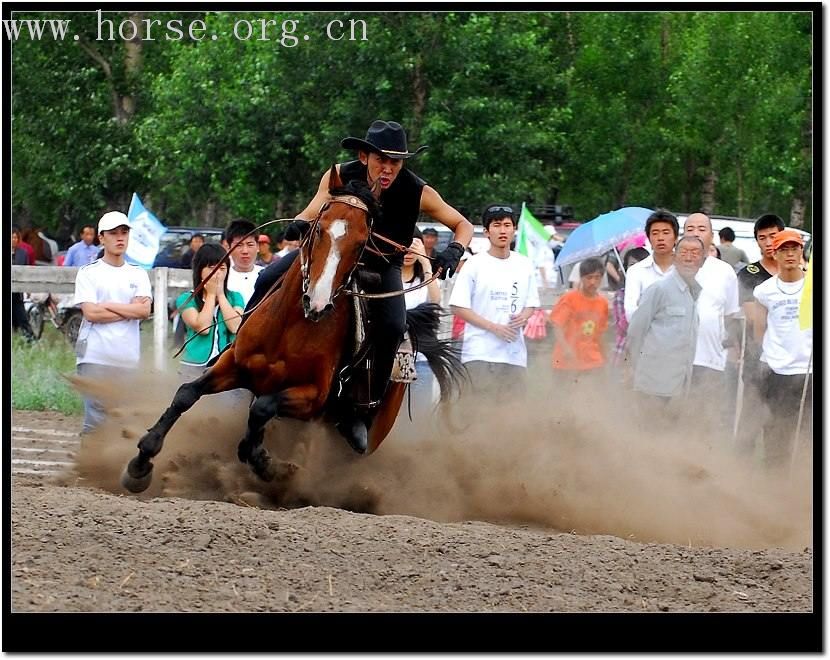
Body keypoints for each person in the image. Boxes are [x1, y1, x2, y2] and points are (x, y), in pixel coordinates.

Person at [247, 119, 473, 452]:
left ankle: (359, 409)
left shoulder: (417, 190)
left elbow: (462, 224)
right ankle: (243, 351)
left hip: (382, 267)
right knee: (267, 278)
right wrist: (300, 222)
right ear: (365, 156)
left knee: (395, 326)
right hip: (331, 258)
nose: (389, 168)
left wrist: (454, 250)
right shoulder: (339, 175)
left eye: (395, 161)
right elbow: (316, 205)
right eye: (382, 159)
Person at [73, 211, 152, 434]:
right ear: (102, 238)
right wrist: (130, 310)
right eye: (114, 233)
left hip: (126, 357)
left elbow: (144, 310)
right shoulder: (89, 273)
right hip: (94, 356)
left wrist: (108, 304)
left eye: (124, 233)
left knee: (123, 418)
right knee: (96, 419)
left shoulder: (138, 274)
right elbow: (91, 313)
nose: (120, 238)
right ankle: (90, 467)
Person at [449, 205, 539, 398]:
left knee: (512, 412)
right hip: (480, 353)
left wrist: (523, 317)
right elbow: (457, 305)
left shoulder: (525, 264)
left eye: (507, 225)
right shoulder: (474, 264)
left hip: (514, 355)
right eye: (497, 225)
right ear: (487, 232)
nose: (503, 230)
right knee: (479, 411)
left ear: (515, 230)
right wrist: (493, 327)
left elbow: (531, 303)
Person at [624, 236, 706, 423]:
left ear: (702, 261)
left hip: (678, 386)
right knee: (650, 436)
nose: (688, 258)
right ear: (674, 257)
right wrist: (636, 370)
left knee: (668, 436)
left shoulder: (693, 293)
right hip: (652, 386)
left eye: (695, 253)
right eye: (684, 252)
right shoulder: (659, 289)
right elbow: (635, 331)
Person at [752, 229, 812, 471]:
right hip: (776, 370)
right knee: (777, 432)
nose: (789, 254)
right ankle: (774, 484)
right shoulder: (764, 291)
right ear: (774, 254)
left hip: (809, 369)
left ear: (801, 252)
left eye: (794, 248)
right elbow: (759, 330)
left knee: (809, 433)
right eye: (784, 250)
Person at [682, 213, 741, 439]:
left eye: (701, 229)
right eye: (690, 229)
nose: (696, 233)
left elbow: (729, 315)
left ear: (712, 236)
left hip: (710, 359)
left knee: (705, 420)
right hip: (676, 359)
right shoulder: (673, 269)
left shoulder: (724, 271)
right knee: (676, 417)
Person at [733, 213, 785, 454]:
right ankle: (741, 477)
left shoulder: (803, 272)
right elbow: (756, 319)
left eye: (773, 236)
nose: (768, 242)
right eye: (762, 238)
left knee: (782, 425)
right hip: (759, 359)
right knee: (750, 422)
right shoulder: (749, 274)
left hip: (793, 363)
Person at [176, 243, 245, 380]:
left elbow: (235, 327)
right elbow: (203, 327)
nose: (217, 273)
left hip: (227, 365)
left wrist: (221, 295)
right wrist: (211, 295)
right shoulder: (187, 299)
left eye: (222, 268)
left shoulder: (235, 297)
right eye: (212, 268)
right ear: (199, 270)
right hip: (194, 366)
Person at [549, 257, 609, 393]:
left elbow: (600, 333)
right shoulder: (569, 299)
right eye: (589, 278)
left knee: (594, 397)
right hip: (566, 362)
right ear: (581, 278)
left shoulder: (603, 303)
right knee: (564, 399)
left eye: (597, 277)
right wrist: (566, 348)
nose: (593, 282)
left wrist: (605, 356)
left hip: (592, 359)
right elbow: (557, 325)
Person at [401, 229, 442, 413]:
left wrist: (425, 261)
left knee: (420, 413)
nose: (408, 253)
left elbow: (435, 300)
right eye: (403, 246)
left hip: (421, 360)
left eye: (413, 248)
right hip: (389, 360)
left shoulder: (424, 279)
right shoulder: (385, 280)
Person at [623, 210, 678, 322]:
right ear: (649, 238)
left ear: (676, 237)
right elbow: (631, 312)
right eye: (655, 233)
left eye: (666, 232)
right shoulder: (636, 271)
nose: (660, 238)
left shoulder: (687, 270)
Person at [611, 247, 649, 368]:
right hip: (625, 355)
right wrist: (634, 306)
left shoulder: (656, 293)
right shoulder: (621, 295)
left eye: (641, 265)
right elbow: (622, 328)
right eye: (632, 265)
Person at [224, 219, 264, 307]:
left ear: (257, 247)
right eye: (239, 245)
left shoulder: (267, 275)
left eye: (250, 245)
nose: (245, 251)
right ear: (228, 247)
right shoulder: (221, 277)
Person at [11, 228, 37, 342]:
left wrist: (28, 288)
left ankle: (30, 340)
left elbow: (27, 271)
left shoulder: (23, 253)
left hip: (17, 292)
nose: (13, 240)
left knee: (21, 316)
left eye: (15, 237)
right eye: (12, 237)